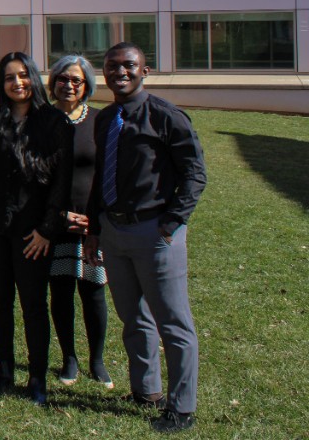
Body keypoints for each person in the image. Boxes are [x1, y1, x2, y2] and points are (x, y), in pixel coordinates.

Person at [84, 43, 206, 434]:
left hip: (155, 232)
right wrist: (96, 228)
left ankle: (181, 407)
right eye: (112, 66)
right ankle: (146, 390)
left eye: (128, 66)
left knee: (173, 323)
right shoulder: (106, 119)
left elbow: (194, 174)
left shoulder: (166, 116)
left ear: (145, 71)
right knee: (133, 316)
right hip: (115, 232)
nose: (120, 72)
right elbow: (101, 175)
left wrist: (172, 223)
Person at [0, 52, 71, 405]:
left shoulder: (54, 122)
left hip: (34, 234)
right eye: (10, 77)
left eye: (24, 76)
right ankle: (4, 371)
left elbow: (62, 182)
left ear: (34, 79)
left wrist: (48, 229)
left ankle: (37, 376)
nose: (17, 83)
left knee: (33, 304)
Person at [46, 55, 113, 390]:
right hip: (55, 222)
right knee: (60, 291)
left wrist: (96, 218)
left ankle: (97, 360)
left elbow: (108, 174)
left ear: (87, 85)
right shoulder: (43, 121)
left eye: (76, 80)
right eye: (62, 78)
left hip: (92, 225)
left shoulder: (99, 122)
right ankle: (69, 358)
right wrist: (58, 215)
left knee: (93, 291)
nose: (68, 85)